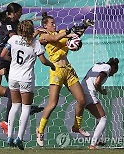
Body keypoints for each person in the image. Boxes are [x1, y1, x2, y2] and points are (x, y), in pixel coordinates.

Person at [0, 3, 44, 134]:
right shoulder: (8, 25)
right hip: (0, 55)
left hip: (11, 57)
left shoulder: (18, 23)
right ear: (13, 13)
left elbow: (23, 40)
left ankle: (6, 122)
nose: (21, 13)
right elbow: (16, 39)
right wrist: (36, 34)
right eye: (20, 11)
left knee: (14, 88)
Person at [36, 12, 95, 147]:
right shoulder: (44, 37)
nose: (55, 25)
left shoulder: (62, 32)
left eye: (55, 23)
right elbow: (56, 38)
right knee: (52, 103)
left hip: (68, 70)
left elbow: (74, 35)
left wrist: (84, 27)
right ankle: (40, 130)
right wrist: (69, 32)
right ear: (45, 25)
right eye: (52, 23)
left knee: (81, 100)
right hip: (56, 71)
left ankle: (76, 126)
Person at [0, 20, 55, 150]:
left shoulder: (13, 39)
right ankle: (19, 137)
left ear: (19, 29)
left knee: (14, 106)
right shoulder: (35, 43)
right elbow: (43, 61)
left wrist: (12, 60)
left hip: (13, 77)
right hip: (26, 79)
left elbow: (3, 55)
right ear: (31, 30)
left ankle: (9, 137)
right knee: (25, 108)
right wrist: (52, 65)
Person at [81, 58, 119, 149]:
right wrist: (102, 91)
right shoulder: (107, 67)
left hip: (83, 90)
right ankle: (93, 145)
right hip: (88, 93)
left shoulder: (99, 64)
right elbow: (97, 82)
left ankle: (98, 140)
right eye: (114, 72)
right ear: (113, 67)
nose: (112, 75)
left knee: (99, 118)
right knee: (103, 119)